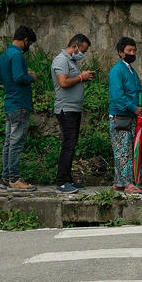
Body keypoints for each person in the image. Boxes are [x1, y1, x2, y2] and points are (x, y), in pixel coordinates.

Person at [51, 34, 95, 194]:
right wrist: (81, 77)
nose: (83, 54)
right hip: (66, 109)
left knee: (72, 143)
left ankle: (68, 179)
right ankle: (62, 182)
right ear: (75, 46)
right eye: (83, 50)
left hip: (74, 108)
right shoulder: (61, 60)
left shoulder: (71, 61)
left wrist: (81, 77)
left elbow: (73, 79)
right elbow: (63, 82)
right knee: (68, 144)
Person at [0, 25, 38, 192]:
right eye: (30, 43)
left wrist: (22, 74)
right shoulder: (17, 54)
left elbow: (1, 79)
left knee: (9, 142)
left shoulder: (5, 54)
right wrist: (31, 77)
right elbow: (19, 77)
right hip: (20, 103)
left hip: (9, 103)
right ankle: (14, 179)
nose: (29, 47)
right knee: (16, 143)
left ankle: (6, 178)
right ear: (26, 40)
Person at [108, 36, 142, 194]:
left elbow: (138, 91)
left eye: (134, 50)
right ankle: (128, 184)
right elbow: (117, 96)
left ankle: (119, 183)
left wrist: (140, 107)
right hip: (120, 115)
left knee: (127, 148)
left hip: (130, 115)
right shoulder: (117, 70)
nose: (132, 53)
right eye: (129, 50)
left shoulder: (131, 70)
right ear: (120, 53)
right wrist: (134, 107)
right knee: (123, 150)